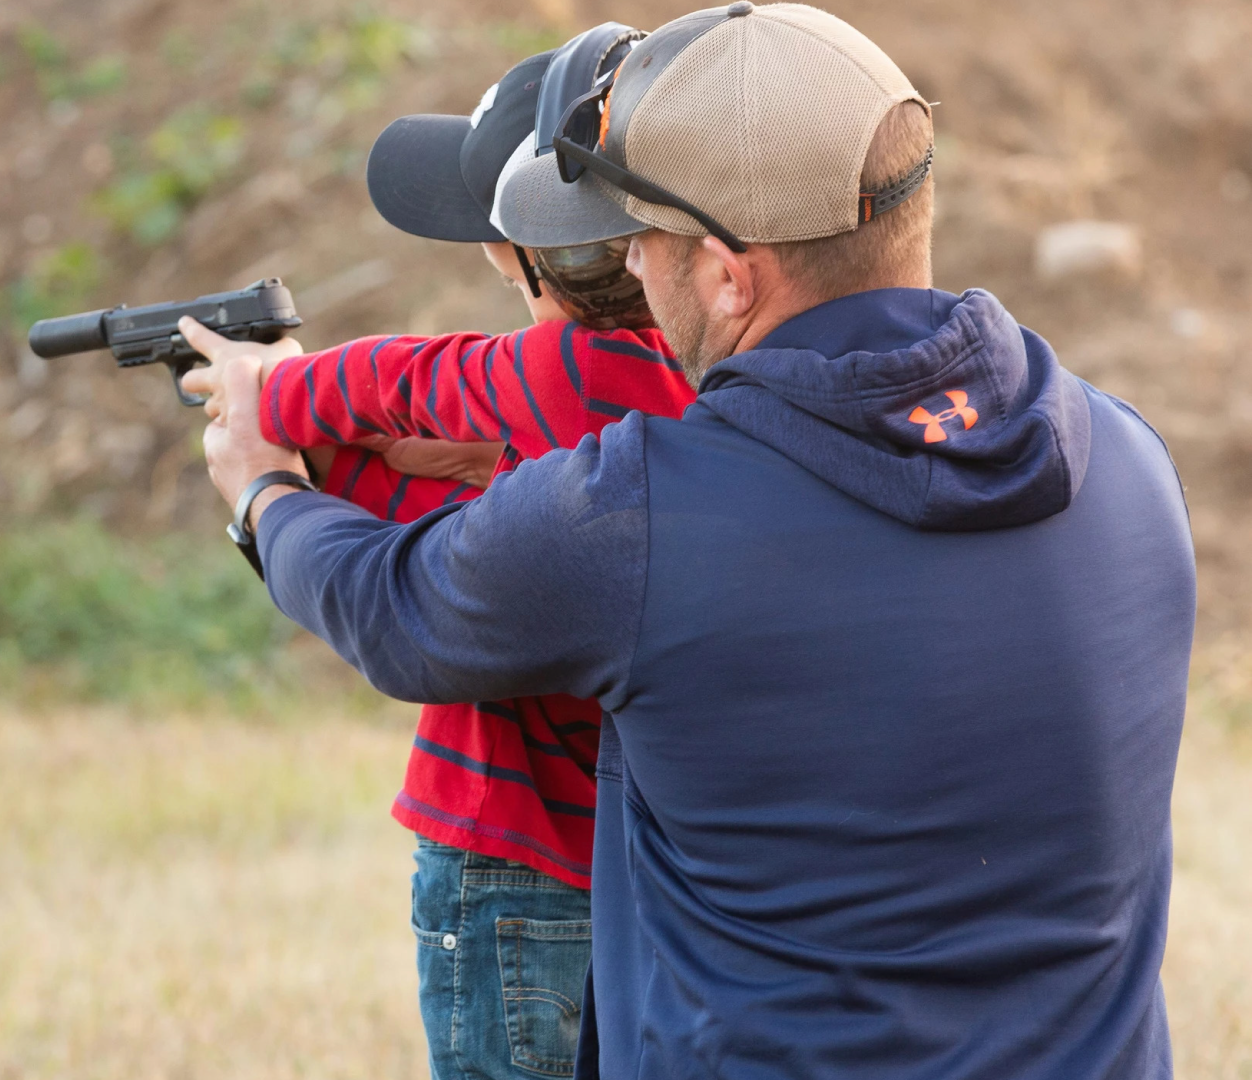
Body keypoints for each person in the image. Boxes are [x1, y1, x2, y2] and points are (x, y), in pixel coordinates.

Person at [191, 5, 1197, 1079]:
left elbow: (397, 610)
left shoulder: (638, 515)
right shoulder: (1126, 462)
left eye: (639, 234)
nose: (624, 259)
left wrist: (263, 491)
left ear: (728, 272)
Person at [182, 25, 696, 1080]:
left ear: (525, 250)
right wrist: (327, 460)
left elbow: (414, 380)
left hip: (499, 861)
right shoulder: (691, 387)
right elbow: (457, 531)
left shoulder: (557, 368)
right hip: (639, 883)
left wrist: (272, 401)